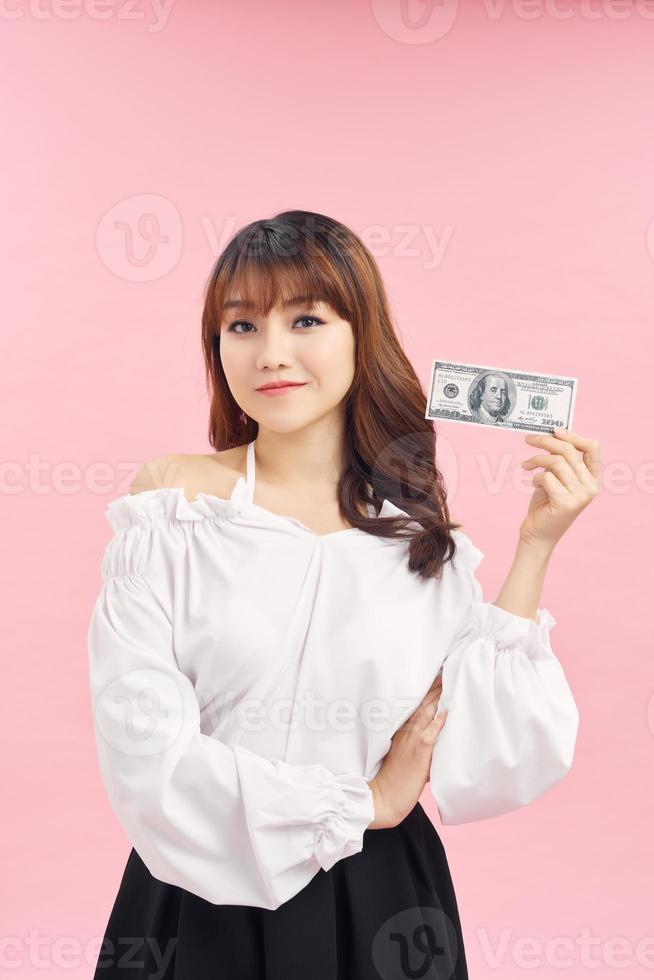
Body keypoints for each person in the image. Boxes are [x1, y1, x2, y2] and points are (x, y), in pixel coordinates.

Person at [87, 210, 600, 979]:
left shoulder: (419, 541)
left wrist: (537, 544)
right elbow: (143, 749)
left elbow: (479, 755)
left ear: (362, 335)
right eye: (241, 326)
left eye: (305, 319)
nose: (272, 354)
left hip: (379, 900)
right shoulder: (174, 509)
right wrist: (363, 803)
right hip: (198, 893)